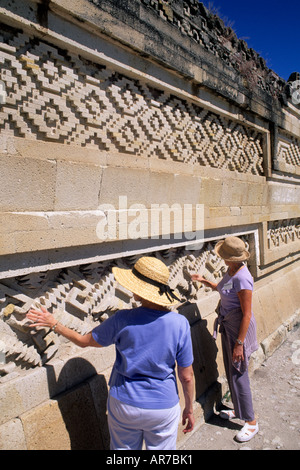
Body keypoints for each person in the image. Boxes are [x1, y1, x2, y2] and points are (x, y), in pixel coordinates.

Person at [26, 256, 195, 450]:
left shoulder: (122, 319)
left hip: (124, 402)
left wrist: (54, 323)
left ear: (140, 289)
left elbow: (83, 341)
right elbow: (187, 376)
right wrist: (189, 408)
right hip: (162, 405)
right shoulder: (179, 323)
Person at [191, 236, 259, 442]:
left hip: (239, 330)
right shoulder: (230, 271)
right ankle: (239, 411)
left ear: (231, 258)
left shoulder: (242, 278)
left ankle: (251, 421)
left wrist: (239, 344)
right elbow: (221, 288)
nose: (221, 258)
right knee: (231, 371)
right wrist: (204, 281)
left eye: (224, 256)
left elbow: (247, 313)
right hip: (228, 327)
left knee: (239, 373)